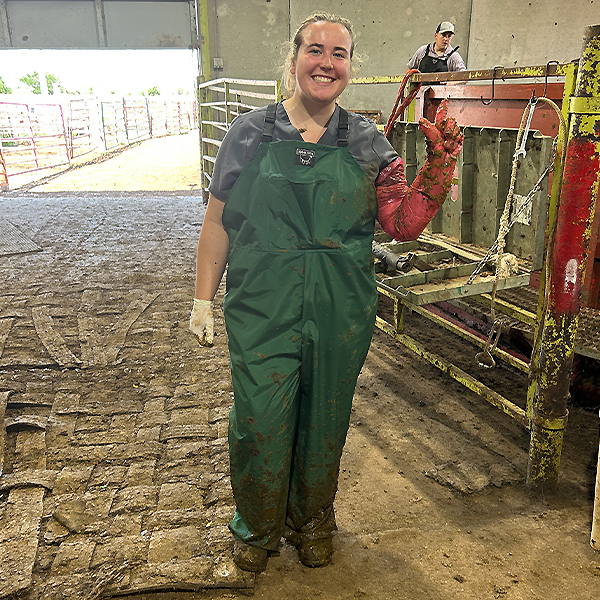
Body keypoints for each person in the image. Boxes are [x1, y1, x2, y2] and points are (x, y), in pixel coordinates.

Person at [190, 12, 463, 573]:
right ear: (293, 61)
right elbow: (218, 222)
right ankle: (256, 527)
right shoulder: (249, 133)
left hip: (341, 303)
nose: (326, 63)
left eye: (339, 54)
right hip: (263, 300)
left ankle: (312, 522)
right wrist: (202, 297)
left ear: (350, 68)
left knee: (326, 417)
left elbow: (402, 224)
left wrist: (437, 171)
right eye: (315, 50)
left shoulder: (368, 141)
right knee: (260, 419)